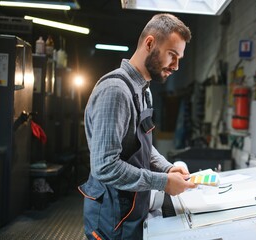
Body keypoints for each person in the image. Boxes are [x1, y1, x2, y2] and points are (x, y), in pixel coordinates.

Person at [78, 13, 196, 240]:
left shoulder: (143, 90)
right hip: (110, 218)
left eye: (179, 58)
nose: (176, 66)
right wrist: (163, 182)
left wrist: (167, 168)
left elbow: (140, 144)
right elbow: (104, 166)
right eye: (172, 55)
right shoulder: (115, 91)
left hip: (131, 209)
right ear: (150, 43)